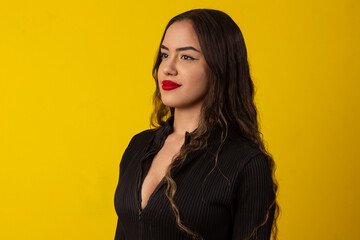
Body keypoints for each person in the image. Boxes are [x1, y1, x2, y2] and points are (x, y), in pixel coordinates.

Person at [114, 8, 279, 240]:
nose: (168, 68)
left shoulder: (245, 163)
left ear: (220, 68)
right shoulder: (138, 146)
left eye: (186, 57)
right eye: (164, 55)